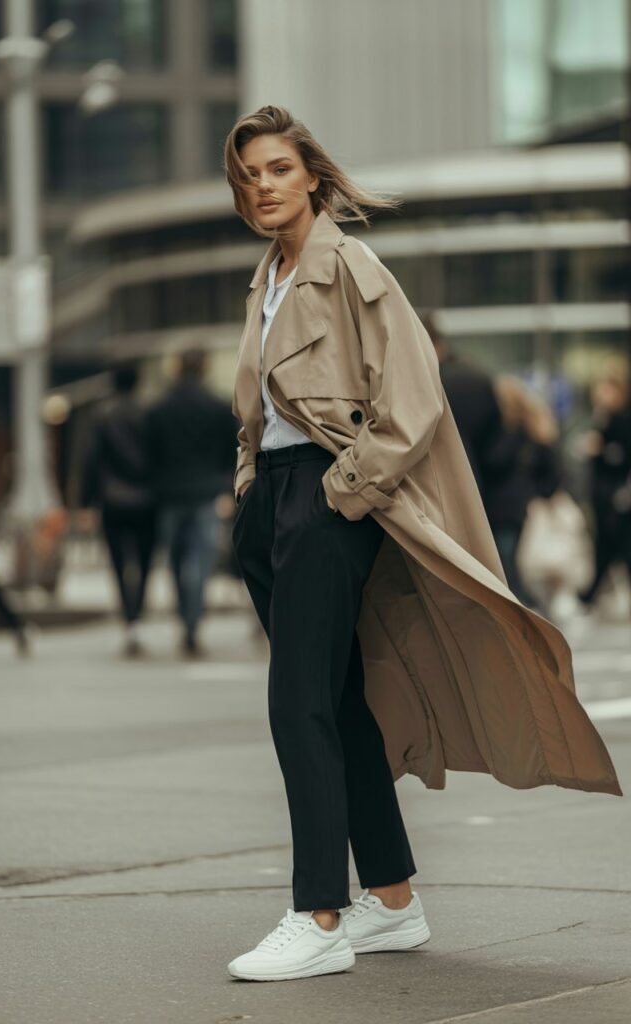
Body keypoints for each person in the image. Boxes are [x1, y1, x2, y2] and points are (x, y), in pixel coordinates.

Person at [225, 105, 620, 983]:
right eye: (249, 174)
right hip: (275, 500)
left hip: (327, 495)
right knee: (336, 699)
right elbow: (257, 409)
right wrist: (248, 484)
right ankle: (393, 899)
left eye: (279, 169)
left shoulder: (350, 266)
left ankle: (318, 914)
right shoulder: (268, 279)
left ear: (313, 176)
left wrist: (338, 494)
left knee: (298, 705)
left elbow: (412, 403)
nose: (264, 185)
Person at [145, 349, 237, 657]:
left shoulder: (159, 409)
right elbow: (231, 451)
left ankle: (185, 615)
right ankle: (193, 622)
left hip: (169, 494)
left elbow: (150, 453)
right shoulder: (219, 407)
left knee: (175, 560)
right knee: (201, 560)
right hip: (206, 492)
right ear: (205, 368)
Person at [81, 362, 156, 657]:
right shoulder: (149, 413)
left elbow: (91, 460)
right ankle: (137, 614)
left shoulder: (101, 415)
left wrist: (87, 501)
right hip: (148, 498)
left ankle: (129, 617)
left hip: (112, 499)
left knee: (118, 562)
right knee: (145, 561)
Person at [483, 376, 562, 607]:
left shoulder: (511, 434)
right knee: (511, 562)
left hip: (505, 510)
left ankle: (521, 607)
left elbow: (494, 462)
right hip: (517, 509)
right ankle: (523, 606)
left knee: (507, 563)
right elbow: (552, 474)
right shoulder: (535, 434)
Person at [422, 312, 503, 501]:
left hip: (433, 490)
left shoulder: (420, 383)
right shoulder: (477, 378)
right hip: (478, 486)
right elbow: (497, 443)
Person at [578, 363, 631, 608]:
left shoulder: (622, 420)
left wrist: (601, 450)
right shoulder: (601, 417)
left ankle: (589, 597)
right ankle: (590, 596)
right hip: (603, 494)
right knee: (608, 545)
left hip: (617, 495)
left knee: (613, 546)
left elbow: (620, 456)